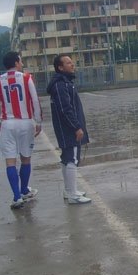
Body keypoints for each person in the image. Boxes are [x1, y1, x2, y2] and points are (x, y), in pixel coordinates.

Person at [0, 51, 43, 209]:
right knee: (26, 158)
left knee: (10, 161)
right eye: (21, 61)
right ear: (17, 62)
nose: (22, 63)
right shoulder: (26, 78)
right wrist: (38, 122)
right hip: (25, 122)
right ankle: (24, 190)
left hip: (8, 124)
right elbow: (35, 101)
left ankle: (17, 197)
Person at [46, 54, 91, 204]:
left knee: (67, 159)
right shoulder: (60, 85)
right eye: (68, 63)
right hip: (67, 129)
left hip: (67, 127)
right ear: (60, 67)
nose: (72, 65)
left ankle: (69, 190)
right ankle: (72, 195)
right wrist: (76, 127)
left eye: (72, 62)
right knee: (71, 159)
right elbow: (66, 109)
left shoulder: (65, 83)